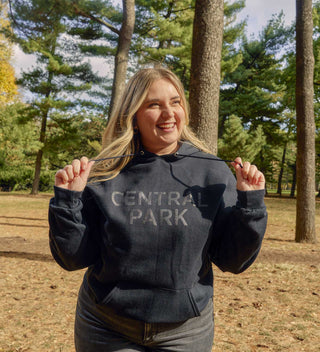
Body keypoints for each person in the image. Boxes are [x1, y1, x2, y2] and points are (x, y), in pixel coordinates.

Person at [48, 67, 267, 352]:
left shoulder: (212, 172)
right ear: (134, 116)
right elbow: (73, 258)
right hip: (106, 326)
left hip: (185, 331)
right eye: (154, 105)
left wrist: (250, 206)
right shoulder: (104, 172)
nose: (168, 114)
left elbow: (233, 261)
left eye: (175, 102)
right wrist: (68, 201)